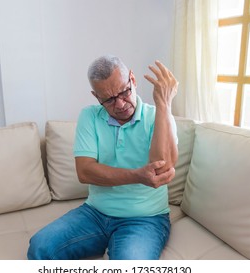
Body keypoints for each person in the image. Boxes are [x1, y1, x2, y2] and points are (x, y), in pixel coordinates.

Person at [27, 55, 178, 260]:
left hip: (144, 219)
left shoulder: (158, 116)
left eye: (124, 92)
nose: (120, 104)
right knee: (40, 247)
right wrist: (137, 175)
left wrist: (164, 104)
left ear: (133, 80)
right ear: (96, 97)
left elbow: (162, 169)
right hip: (95, 213)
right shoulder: (89, 116)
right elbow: (85, 171)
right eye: (108, 99)